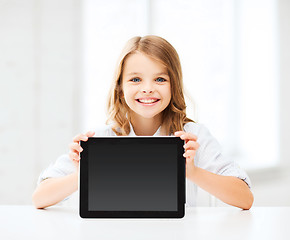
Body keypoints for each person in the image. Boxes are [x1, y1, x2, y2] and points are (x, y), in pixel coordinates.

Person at [32, 35, 254, 210]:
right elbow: (40, 198)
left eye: (160, 79)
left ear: (173, 86)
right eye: (135, 79)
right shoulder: (100, 139)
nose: (147, 88)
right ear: (120, 88)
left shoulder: (192, 136)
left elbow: (245, 198)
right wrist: (84, 174)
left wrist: (193, 172)